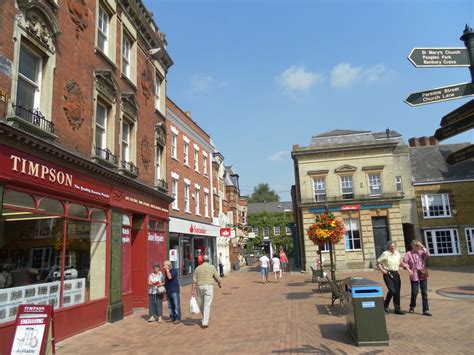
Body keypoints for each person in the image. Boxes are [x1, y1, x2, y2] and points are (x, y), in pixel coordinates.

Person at [191, 255, 222, 328]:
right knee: (207, 305)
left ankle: (204, 318)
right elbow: (218, 278)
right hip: (208, 286)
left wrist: (192, 290)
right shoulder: (212, 267)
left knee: (201, 304)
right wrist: (219, 284)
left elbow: (194, 280)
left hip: (199, 287)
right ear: (209, 260)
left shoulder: (197, 268)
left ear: (202, 261)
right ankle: (205, 322)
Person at [403, 240, 432, 316]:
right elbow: (403, 262)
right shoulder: (408, 254)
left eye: (418, 245)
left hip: (422, 273)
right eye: (416, 245)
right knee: (414, 292)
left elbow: (428, 254)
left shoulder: (421, 252)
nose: (417, 247)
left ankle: (426, 310)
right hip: (414, 274)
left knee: (424, 293)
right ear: (412, 246)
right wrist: (408, 269)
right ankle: (412, 306)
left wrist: (422, 246)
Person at [377, 241, 407, 315]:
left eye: (394, 246)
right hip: (388, 273)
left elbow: (399, 263)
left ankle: (397, 309)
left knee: (397, 292)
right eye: (391, 246)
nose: (392, 247)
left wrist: (404, 265)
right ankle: (385, 305)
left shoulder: (397, 254)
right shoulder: (385, 253)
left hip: (396, 273)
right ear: (388, 247)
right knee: (392, 290)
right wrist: (382, 270)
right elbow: (378, 262)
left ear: (395, 246)